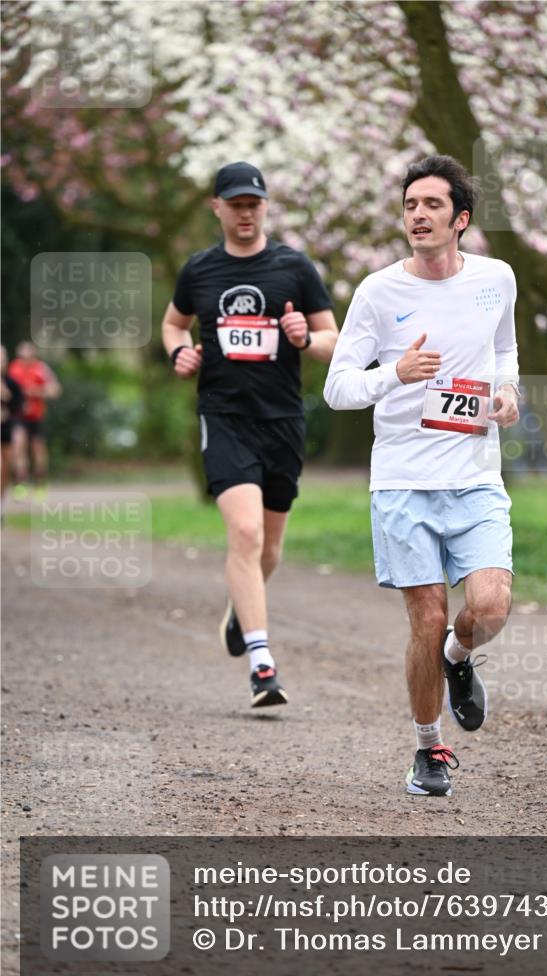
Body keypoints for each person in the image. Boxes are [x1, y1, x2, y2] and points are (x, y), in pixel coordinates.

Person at [324, 154, 520, 797]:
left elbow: (503, 348)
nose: (418, 215)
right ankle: (428, 749)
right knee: (427, 620)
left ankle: (459, 661)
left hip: (474, 475)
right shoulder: (379, 292)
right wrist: (394, 376)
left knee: (488, 607)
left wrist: (509, 391)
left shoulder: (496, 278)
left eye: (432, 205)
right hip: (404, 480)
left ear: (460, 219)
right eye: (410, 205)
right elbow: (337, 388)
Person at [162, 161, 338, 708]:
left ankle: (244, 607)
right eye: (235, 204)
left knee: (269, 548)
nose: (245, 212)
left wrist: (305, 336)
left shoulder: (294, 267)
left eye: (253, 204)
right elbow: (173, 322)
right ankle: (263, 667)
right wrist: (178, 351)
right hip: (224, 416)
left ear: (265, 206)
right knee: (245, 535)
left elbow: (335, 339)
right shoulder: (199, 271)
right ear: (217, 207)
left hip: (282, 420)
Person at [8, 340, 61, 499]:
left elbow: (55, 390)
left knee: (38, 450)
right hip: (18, 416)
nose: (24, 359)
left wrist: (36, 392)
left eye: (28, 356)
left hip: (36, 417)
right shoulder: (13, 368)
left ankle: (39, 483)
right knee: (19, 445)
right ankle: (20, 482)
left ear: (34, 355)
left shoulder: (41, 368)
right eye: (22, 356)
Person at [1, 344, 24, 512]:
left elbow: (18, 405)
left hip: (6, 428)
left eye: (2, 358)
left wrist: (5, 394)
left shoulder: (12, 384)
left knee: (6, 467)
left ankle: (1, 503)